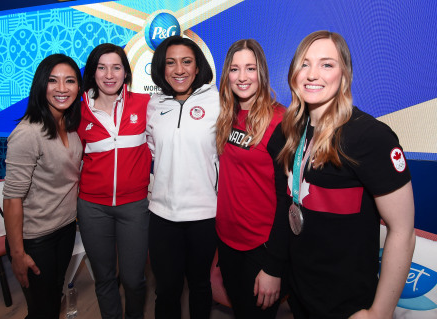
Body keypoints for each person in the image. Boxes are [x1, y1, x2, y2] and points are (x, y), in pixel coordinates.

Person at [267, 30, 416, 319]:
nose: (312, 74)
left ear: (344, 74)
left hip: (349, 306)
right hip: (301, 295)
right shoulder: (287, 133)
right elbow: (286, 207)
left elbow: (403, 231)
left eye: (326, 64)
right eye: (304, 64)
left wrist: (379, 313)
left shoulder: (370, 137)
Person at [3, 53, 83, 319]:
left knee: (52, 301)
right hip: (35, 239)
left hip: (64, 229)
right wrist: (17, 254)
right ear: (40, 85)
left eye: (69, 81)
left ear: (78, 87)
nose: (62, 88)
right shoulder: (27, 133)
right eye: (53, 81)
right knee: (42, 310)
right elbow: (13, 198)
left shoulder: (70, 127)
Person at [146, 35, 220, 319]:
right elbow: (154, 152)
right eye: (171, 62)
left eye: (187, 62)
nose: (179, 69)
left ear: (198, 67)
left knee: (201, 286)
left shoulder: (218, 101)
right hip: (162, 216)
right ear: (162, 69)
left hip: (204, 214)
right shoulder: (154, 105)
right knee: (166, 289)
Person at [77, 43, 151, 319]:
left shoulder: (144, 104)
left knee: (134, 280)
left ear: (125, 72)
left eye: (116, 67)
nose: (109, 74)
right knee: (105, 278)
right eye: (102, 67)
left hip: (134, 206)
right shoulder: (78, 111)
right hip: (92, 208)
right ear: (93, 72)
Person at [215, 39, 287, 319]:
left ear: (262, 73)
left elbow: (287, 200)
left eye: (250, 68)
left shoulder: (280, 121)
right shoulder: (226, 115)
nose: (242, 77)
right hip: (228, 241)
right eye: (234, 69)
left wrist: (274, 265)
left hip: (263, 247)